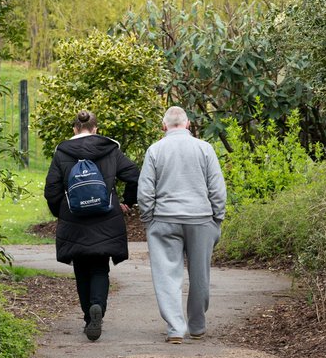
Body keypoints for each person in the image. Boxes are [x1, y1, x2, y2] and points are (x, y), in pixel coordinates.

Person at [44, 110, 140, 342]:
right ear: (95, 129)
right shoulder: (110, 149)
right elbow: (134, 175)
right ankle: (98, 306)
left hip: (74, 220)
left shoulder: (62, 152)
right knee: (99, 267)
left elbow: (51, 191)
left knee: (81, 269)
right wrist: (126, 202)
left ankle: (89, 317)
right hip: (105, 218)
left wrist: (62, 212)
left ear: (75, 129)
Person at [137, 106, 227, 344]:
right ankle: (197, 325)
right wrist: (217, 218)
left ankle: (175, 328)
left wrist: (148, 219)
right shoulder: (204, 148)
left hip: (164, 219)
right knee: (200, 275)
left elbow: (145, 190)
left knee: (167, 275)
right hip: (201, 219)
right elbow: (217, 188)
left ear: (164, 126)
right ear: (188, 125)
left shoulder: (155, 150)